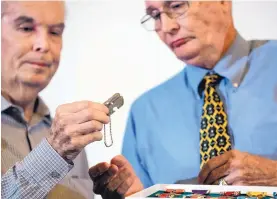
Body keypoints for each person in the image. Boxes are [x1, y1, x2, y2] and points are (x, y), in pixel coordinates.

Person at [89, 1, 277, 197]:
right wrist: (136, 196)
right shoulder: (145, 111)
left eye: (177, 6)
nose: (166, 27)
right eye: (155, 15)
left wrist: (274, 175)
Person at [1, 1, 135, 198]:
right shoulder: (61, 141)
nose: (44, 45)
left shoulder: (64, 134)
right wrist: (54, 152)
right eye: (26, 28)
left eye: (55, 32)